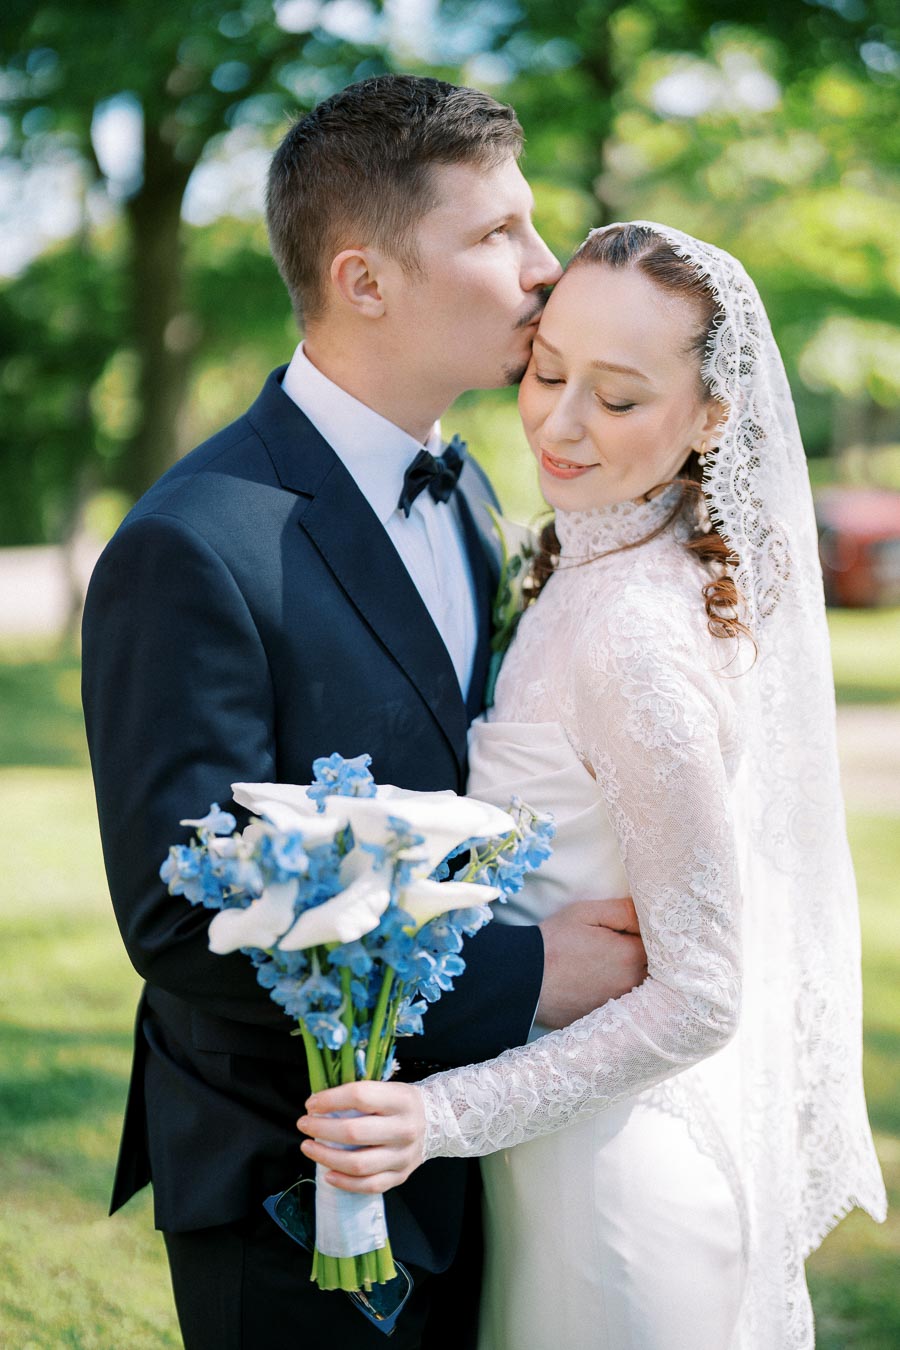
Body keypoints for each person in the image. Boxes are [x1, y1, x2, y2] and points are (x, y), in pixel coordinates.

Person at [80, 77, 649, 1350]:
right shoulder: (192, 544)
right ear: (366, 279)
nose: (546, 271)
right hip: (296, 1176)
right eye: (498, 235)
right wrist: (537, 973)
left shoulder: (474, 492)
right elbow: (183, 919)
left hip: (486, 1139)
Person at [296, 222, 888, 1349]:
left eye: (617, 401)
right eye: (548, 371)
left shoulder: (636, 635)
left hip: (617, 1190)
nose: (560, 424)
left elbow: (703, 993)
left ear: (713, 418)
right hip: (556, 1151)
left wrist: (435, 1114)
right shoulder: (591, 557)